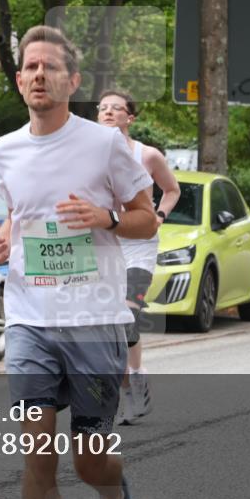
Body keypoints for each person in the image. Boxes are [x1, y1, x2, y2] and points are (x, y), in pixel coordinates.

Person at [0, 26, 156, 499]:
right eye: (31, 67)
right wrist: (3, 239)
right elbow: (20, 214)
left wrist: (106, 219)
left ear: (72, 80)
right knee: (37, 459)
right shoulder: (5, 149)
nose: (40, 74)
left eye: (50, 66)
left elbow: (145, 217)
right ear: (19, 81)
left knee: (88, 463)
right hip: (30, 319)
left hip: (94, 320)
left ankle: (115, 497)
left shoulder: (103, 145)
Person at [97, 90, 180, 425]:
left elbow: (172, 189)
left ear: (130, 118)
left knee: (126, 316)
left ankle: (135, 375)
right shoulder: (88, 153)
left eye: (116, 109)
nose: (108, 113)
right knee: (107, 323)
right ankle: (128, 384)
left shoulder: (147, 155)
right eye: (102, 108)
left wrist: (158, 214)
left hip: (140, 246)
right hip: (106, 245)